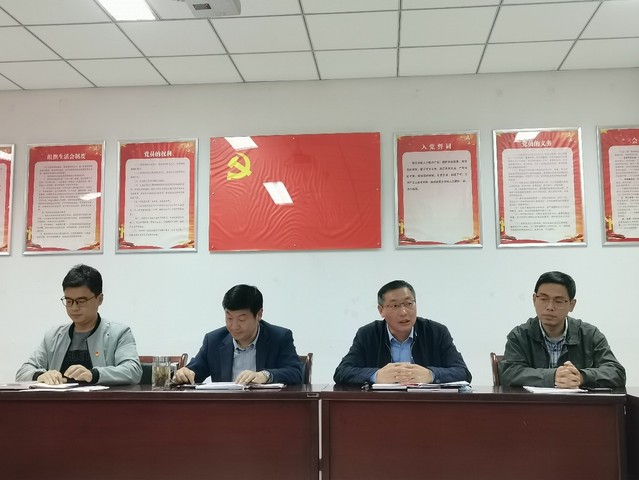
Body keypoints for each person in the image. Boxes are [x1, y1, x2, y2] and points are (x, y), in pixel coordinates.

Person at [16, 264, 142, 385]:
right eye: (69, 301)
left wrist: (94, 374)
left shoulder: (119, 333)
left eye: (81, 301)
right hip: (59, 399)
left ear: (99, 299)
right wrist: (39, 375)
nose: (74, 308)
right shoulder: (53, 336)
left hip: (101, 399)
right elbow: (23, 372)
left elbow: (133, 371)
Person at [500, 271, 625, 388]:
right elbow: (509, 374)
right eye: (543, 299)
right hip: (534, 404)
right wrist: (553, 376)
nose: (550, 307)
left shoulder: (589, 335)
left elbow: (616, 372)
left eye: (559, 301)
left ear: (572, 305)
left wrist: (582, 377)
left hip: (577, 404)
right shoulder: (519, 336)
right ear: (534, 299)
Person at [333, 280, 471, 386]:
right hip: (381, 405)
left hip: (426, 405)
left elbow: (463, 372)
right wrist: (376, 376)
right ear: (381, 310)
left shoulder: (436, 332)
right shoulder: (368, 334)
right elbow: (342, 372)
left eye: (409, 304)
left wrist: (431, 375)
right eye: (394, 306)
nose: (404, 312)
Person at [173, 284, 303, 385]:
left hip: (265, 408)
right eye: (229, 318)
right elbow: (194, 372)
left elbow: (296, 373)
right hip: (225, 408)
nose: (234, 326)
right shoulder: (214, 340)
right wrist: (184, 374)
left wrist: (264, 375)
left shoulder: (279, 337)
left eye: (241, 319)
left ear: (259, 315)